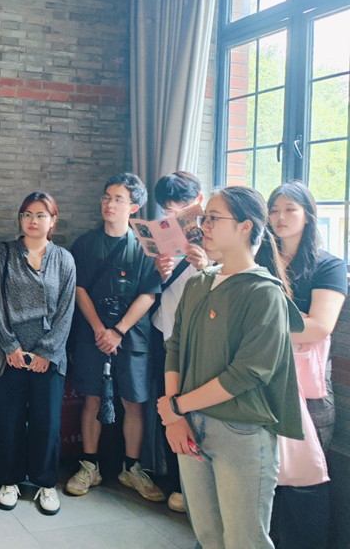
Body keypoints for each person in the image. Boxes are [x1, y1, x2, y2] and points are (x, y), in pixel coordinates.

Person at [158, 186, 304, 548]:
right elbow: (175, 346)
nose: (203, 227)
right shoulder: (200, 282)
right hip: (190, 424)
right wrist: (176, 417)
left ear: (245, 226)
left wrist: (176, 406)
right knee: (208, 535)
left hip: (241, 432)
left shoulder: (264, 293)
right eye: (204, 218)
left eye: (213, 218)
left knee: (244, 540)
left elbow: (247, 373)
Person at [256, 181, 347, 548]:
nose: (280, 217)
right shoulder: (259, 259)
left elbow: (320, 326)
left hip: (307, 390)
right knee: (262, 475)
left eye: (290, 209)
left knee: (305, 479)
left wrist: (261, 326)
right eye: (274, 210)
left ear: (308, 215)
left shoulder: (328, 265)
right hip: (258, 380)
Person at [65, 172, 164, 502]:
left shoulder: (145, 246)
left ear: (133, 207)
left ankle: (132, 468)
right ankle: (89, 466)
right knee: (92, 398)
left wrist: (119, 330)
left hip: (132, 335)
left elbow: (149, 294)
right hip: (93, 333)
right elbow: (79, 289)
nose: (109, 203)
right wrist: (99, 329)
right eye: (106, 197)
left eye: (118, 199)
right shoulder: (85, 243)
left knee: (133, 401)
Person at [0, 192, 76, 515]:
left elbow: (66, 309)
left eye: (40, 215)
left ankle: (45, 483)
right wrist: (10, 346)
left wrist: (47, 353)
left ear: (53, 221)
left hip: (50, 356)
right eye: (27, 215)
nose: (33, 221)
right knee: (9, 419)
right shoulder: (4, 254)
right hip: (11, 353)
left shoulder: (64, 259)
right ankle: (8, 481)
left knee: (47, 422)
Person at [146, 171, 209, 513]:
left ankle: (200, 487)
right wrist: (161, 272)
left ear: (198, 200)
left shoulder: (215, 233)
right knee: (167, 408)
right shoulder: (163, 235)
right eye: (168, 210)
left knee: (199, 410)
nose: (174, 215)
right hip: (165, 330)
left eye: (181, 208)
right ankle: (175, 482)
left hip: (202, 338)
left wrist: (206, 266)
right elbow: (152, 290)